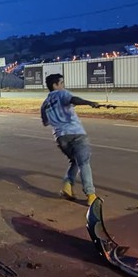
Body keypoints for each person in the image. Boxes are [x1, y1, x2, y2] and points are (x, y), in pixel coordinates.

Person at [41, 73, 101, 206]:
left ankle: (68, 184)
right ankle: (91, 195)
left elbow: (45, 122)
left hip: (61, 138)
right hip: (76, 133)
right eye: (61, 83)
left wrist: (55, 115)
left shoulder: (45, 104)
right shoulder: (61, 94)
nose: (63, 85)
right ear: (55, 85)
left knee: (75, 160)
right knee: (84, 162)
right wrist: (89, 103)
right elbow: (73, 99)